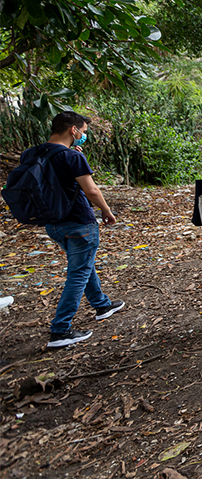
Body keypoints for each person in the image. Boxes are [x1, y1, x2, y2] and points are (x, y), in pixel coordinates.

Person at [34, 111, 124, 348]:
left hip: (53, 222)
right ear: (73, 130)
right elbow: (91, 190)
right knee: (79, 272)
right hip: (78, 221)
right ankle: (60, 329)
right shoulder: (72, 158)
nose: (84, 135)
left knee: (82, 265)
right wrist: (106, 210)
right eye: (83, 131)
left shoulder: (34, 153)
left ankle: (102, 305)